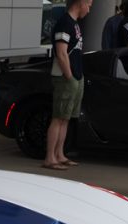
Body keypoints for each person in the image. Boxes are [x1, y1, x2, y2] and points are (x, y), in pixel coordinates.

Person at [43, 0, 93, 170]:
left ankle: (59, 154)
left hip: (76, 76)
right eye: (89, 4)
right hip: (66, 78)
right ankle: (50, 157)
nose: (89, 9)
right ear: (81, 3)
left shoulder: (74, 24)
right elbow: (61, 53)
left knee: (65, 119)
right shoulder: (64, 23)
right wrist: (70, 76)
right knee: (58, 117)